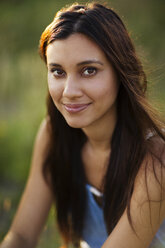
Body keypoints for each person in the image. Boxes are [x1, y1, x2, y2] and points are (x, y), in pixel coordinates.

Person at [0, 2, 165, 248]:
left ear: (120, 72)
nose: (70, 92)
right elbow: (22, 236)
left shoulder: (156, 157)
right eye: (57, 71)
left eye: (89, 70)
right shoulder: (53, 134)